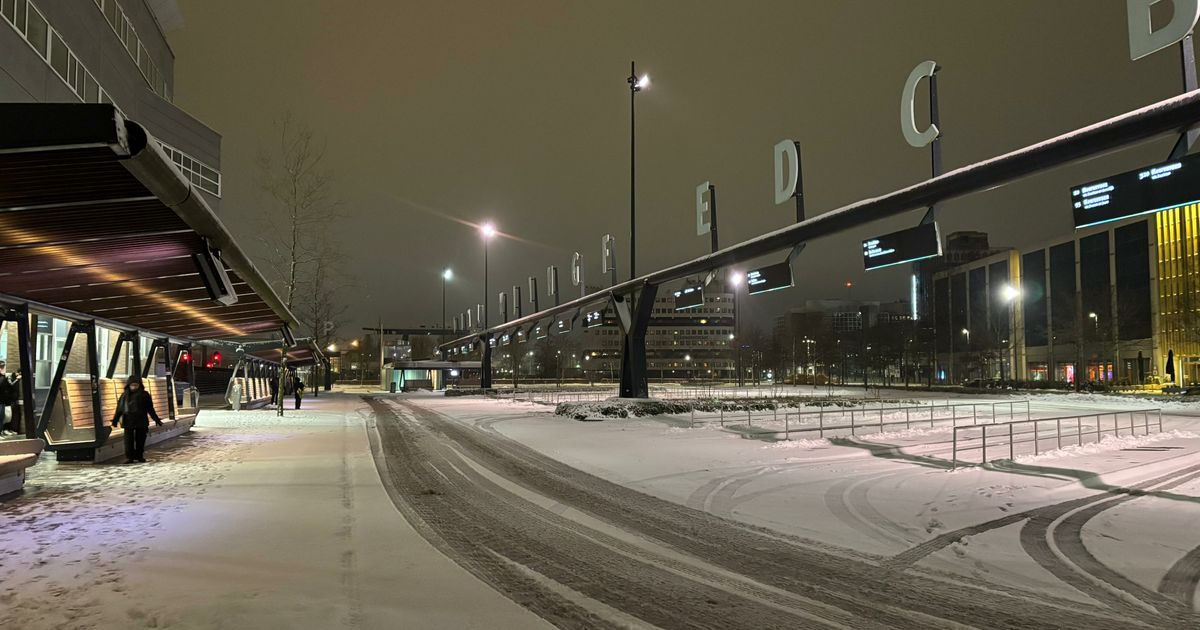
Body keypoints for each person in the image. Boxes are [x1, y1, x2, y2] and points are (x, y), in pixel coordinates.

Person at [112, 375, 162, 464]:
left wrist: (156, 419)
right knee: (128, 441)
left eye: (136, 385)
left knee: (140, 440)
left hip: (141, 421)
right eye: (132, 385)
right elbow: (119, 409)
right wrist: (115, 420)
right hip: (128, 420)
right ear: (129, 385)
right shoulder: (124, 395)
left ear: (139, 385)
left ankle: (139, 456)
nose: (134, 387)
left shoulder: (144, 395)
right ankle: (130, 457)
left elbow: (150, 409)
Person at [0, 360, 20, 435]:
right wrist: (16, 379)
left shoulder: (5, 377)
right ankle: (3, 431)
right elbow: (10, 385)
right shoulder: (6, 377)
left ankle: (3, 431)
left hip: (4, 400)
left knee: (4, 417)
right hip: (4, 400)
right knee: (3, 417)